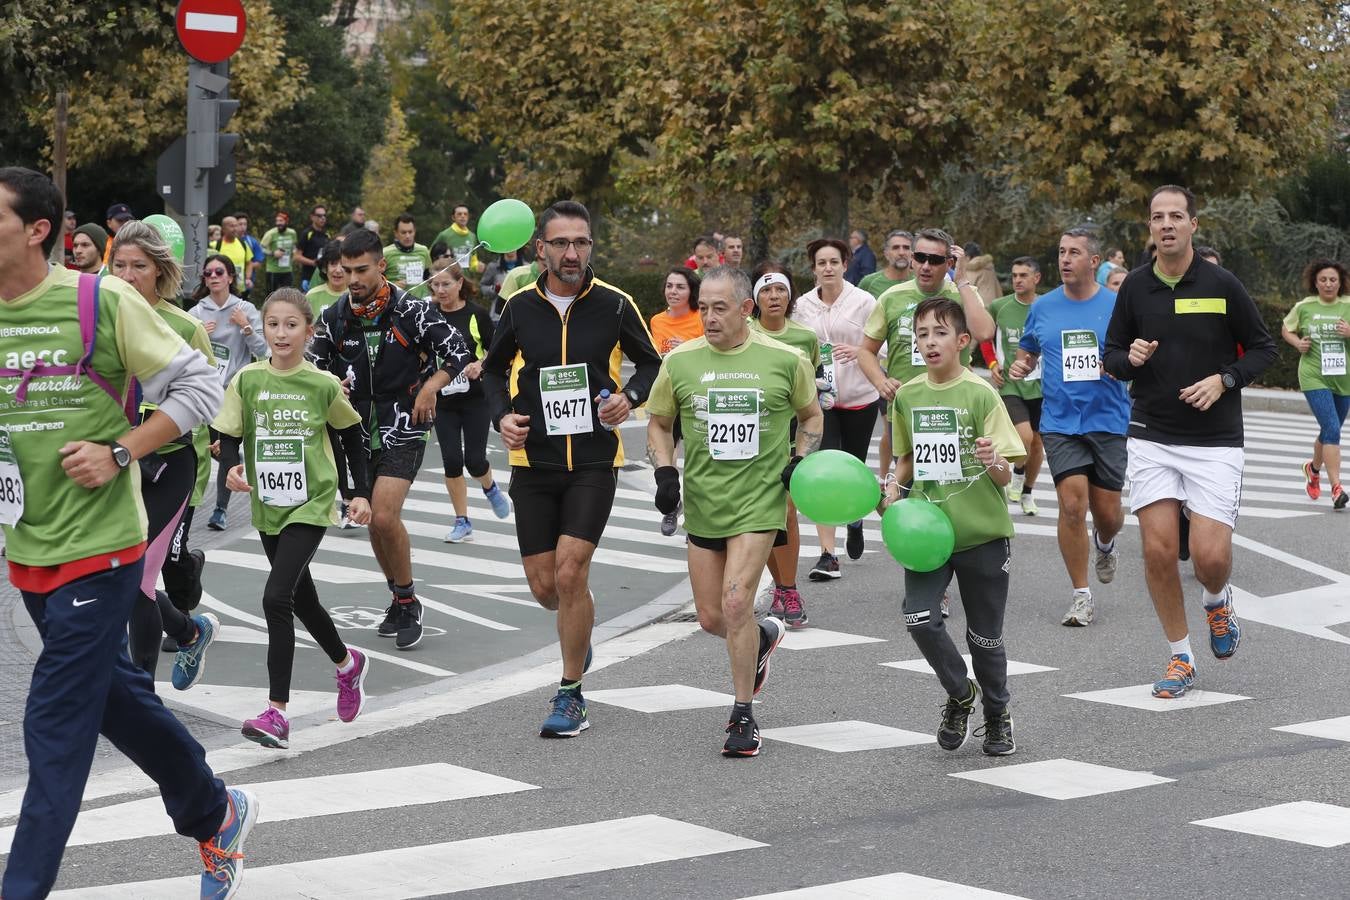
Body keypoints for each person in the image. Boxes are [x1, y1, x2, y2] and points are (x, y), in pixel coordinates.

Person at [0, 167, 255, 900]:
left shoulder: (98, 299)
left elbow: (203, 385)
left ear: (37, 229)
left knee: (54, 719)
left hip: (103, 545)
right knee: (114, 696)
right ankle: (216, 810)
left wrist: (121, 452)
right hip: (31, 544)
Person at [482, 200, 662, 738]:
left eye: (580, 242)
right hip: (533, 461)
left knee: (569, 570)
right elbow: (492, 374)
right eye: (560, 243)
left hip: (592, 459)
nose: (571, 253)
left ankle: (570, 693)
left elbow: (651, 363)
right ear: (541, 250)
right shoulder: (518, 307)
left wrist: (628, 398)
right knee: (545, 587)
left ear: (590, 247)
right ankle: (578, 614)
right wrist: (501, 419)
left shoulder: (614, 304)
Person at [1104, 184, 1278, 698]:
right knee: (1158, 551)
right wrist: (1128, 359)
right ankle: (1180, 656)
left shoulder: (1222, 283)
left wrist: (1223, 380)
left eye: (1176, 216)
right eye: (1158, 217)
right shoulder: (1135, 287)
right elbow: (1111, 356)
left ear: (1193, 225)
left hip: (1215, 439)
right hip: (1152, 434)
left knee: (1208, 558)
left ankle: (1217, 600)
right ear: (1150, 227)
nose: (1166, 225)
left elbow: (1264, 348)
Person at [648, 266, 823, 756]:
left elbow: (812, 415)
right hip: (705, 502)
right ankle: (762, 636)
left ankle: (742, 714)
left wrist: (799, 461)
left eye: (719, 308)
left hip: (759, 502)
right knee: (710, 618)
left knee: (733, 602)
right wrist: (665, 472)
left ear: (746, 309)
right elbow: (660, 424)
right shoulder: (680, 362)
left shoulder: (784, 360)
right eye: (702, 308)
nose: (708, 317)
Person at [217, 288, 373, 748]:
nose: (281, 333)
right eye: (272, 324)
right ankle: (348, 665)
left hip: (312, 501)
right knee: (302, 601)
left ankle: (277, 713)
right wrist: (231, 468)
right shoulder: (247, 380)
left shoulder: (322, 383)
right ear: (262, 329)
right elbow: (229, 432)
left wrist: (357, 492)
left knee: (276, 597)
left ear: (308, 330)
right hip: (268, 505)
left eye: (291, 325)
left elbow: (350, 435)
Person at [308, 227, 473, 650]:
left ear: (381, 266)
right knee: (373, 522)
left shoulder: (413, 309)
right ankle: (398, 598)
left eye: (362, 270)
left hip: (405, 423)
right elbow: (310, 369)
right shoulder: (333, 317)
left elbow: (459, 350)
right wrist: (329, 382)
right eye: (346, 271)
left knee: (383, 514)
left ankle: (408, 598)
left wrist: (432, 386)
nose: (353, 279)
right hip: (356, 433)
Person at [884, 296, 1025, 755]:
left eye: (939, 333)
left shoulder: (981, 393)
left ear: (962, 341)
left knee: (985, 638)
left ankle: (997, 713)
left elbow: (1008, 473)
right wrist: (891, 486)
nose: (929, 342)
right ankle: (961, 694)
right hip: (926, 533)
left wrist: (995, 461)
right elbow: (905, 460)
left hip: (983, 534)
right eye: (921, 334)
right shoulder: (907, 395)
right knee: (920, 619)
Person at [110, 222, 223, 686]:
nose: (129, 275)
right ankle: (188, 629)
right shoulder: (98, 316)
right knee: (117, 573)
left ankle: (141, 690)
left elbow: (209, 399)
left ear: (160, 271)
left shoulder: (185, 327)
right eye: (119, 265)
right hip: (116, 465)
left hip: (170, 467)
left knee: (136, 579)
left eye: (140, 266)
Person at [1009, 227, 1129, 627]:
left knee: (1108, 513)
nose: (1064, 259)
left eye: (1074, 252)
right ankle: (1081, 595)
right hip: (1060, 421)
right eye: (1061, 252)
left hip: (1108, 419)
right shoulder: (1044, 307)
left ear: (1094, 261)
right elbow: (1029, 349)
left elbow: (1138, 353)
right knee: (1072, 504)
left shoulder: (1118, 305)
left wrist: (1120, 365)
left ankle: (1106, 542)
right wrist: (1021, 365)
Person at [858, 228, 995, 488]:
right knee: (907, 492)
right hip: (908, 405)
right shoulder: (892, 297)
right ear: (912, 259)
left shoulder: (961, 293)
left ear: (949, 263)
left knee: (951, 488)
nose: (925, 266)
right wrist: (880, 381)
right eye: (920, 257)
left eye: (935, 260)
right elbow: (865, 351)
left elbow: (985, 332)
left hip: (956, 408)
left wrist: (963, 281)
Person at [792, 237, 883, 579]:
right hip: (820, 401)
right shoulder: (802, 306)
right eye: (821, 263)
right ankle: (828, 555)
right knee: (826, 470)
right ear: (813, 268)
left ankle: (856, 517)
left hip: (860, 396)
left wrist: (857, 350)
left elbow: (882, 347)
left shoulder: (864, 302)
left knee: (855, 467)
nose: (827, 268)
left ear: (846, 265)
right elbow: (796, 348)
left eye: (834, 262)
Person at [749, 261, 821, 628]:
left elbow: (813, 387)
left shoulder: (804, 338)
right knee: (760, 515)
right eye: (766, 289)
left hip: (791, 436)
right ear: (754, 298)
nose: (773, 296)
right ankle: (775, 585)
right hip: (752, 436)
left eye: (780, 290)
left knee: (787, 511)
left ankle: (789, 587)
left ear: (789, 296)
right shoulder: (742, 330)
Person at [429, 261, 511, 542]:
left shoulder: (476, 315)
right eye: (435, 284)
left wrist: (480, 364)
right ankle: (462, 520)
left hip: (476, 398)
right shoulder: (428, 316)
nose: (440, 290)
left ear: (460, 283)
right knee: (451, 461)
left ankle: (490, 488)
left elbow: (497, 351)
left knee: (475, 461)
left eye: (446, 284)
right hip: (443, 401)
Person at [191, 252, 269, 533]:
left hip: (234, 393)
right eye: (208, 273)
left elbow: (263, 351)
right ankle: (190, 501)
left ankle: (220, 510)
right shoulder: (197, 313)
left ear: (230, 278)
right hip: (205, 392)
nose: (213, 277)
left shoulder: (245, 309)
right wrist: (199, 334)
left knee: (226, 452)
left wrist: (246, 328)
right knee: (205, 450)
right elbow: (182, 351)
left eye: (219, 273)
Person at [1282, 259, 1350, 509]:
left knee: (1329, 430)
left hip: (1344, 378)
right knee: (1332, 428)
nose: (1328, 284)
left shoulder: (1348, 305)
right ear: (1315, 282)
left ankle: (1312, 468)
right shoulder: (1305, 306)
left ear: (1340, 282)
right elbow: (1286, 329)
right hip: (1313, 375)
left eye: (1333, 279)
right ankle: (1336, 488)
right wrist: (1297, 343)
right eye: (1323, 279)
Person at [986, 256, 1045, 515]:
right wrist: (991, 364)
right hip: (1011, 384)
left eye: (1023, 275)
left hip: (1043, 386)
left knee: (1038, 444)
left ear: (1036, 278)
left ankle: (1028, 492)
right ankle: (1018, 471)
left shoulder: (1047, 307)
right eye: (1014, 275)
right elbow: (985, 337)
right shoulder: (999, 306)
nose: (1017, 280)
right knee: (1024, 437)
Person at [648, 267, 703, 536]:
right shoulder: (657, 321)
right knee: (661, 456)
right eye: (669, 286)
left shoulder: (701, 318)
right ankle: (671, 503)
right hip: (666, 396)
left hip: (695, 396)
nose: (673, 291)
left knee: (695, 460)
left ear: (691, 291)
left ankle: (696, 517)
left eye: (680, 287)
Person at [857, 229, 913, 299]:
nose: (901, 253)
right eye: (895, 248)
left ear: (912, 254)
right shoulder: (868, 283)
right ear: (886, 254)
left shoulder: (921, 281)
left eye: (906, 248)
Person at [384, 213, 433, 289]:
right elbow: (376, 282)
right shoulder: (385, 253)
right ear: (396, 233)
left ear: (415, 232)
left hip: (420, 299)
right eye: (403, 232)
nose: (407, 236)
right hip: (397, 299)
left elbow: (429, 277)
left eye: (410, 232)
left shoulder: (423, 250)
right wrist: (392, 286)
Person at [306, 238, 349, 321]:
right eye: (333, 264)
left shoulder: (357, 295)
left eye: (343, 265)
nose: (338, 270)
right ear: (324, 268)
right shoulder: (311, 296)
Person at [434, 203, 481, 275]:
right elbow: (432, 255)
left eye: (465, 214)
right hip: (449, 279)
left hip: (466, 279)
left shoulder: (472, 236)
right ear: (453, 217)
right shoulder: (444, 235)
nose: (463, 216)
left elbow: (473, 261)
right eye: (459, 214)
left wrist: (478, 266)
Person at [211, 216, 251, 296]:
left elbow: (249, 262)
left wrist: (248, 278)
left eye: (236, 225)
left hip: (240, 289)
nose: (235, 228)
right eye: (232, 226)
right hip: (222, 290)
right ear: (223, 229)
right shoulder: (215, 246)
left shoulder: (243, 244)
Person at [261, 211, 299, 293]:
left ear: (286, 222)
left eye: (281, 221)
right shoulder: (270, 233)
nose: (278, 223)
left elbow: (294, 246)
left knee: (288, 296)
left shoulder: (292, 233)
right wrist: (273, 253)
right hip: (273, 270)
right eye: (277, 221)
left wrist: (295, 252)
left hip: (287, 270)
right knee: (271, 296)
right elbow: (261, 248)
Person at [295, 204, 329, 288]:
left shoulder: (327, 235)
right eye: (319, 215)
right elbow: (296, 256)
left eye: (324, 215)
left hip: (323, 277)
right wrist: (313, 263)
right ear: (312, 217)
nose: (323, 218)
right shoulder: (307, 233)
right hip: (308, 277)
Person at [235, 212, 265, 299]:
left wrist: (247, 266)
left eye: (245, 224)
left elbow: (258, 262)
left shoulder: (252, 242)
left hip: (246, 282)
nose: (243, 226)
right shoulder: (227, 242)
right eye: (240, 224)